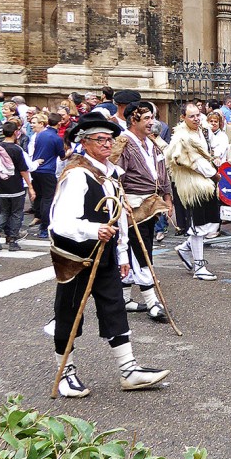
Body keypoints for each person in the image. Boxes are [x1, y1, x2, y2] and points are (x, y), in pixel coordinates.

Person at [45, 115, 170, 398]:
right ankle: (65, 373)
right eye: (99, 139)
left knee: (114, 307)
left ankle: (129, 370)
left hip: (106, 254)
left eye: (109, 139)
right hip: (77, 257)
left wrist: (122, 253)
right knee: (69, 314)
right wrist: (93, 229)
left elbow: (119, 217)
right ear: (84, 142)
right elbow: (60, 223)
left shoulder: (111, 173)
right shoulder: (77, 175)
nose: (107, 144)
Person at [112, 102, 172, 321]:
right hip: (132, 207)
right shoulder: (123, 143)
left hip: (150, 205)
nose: (151, 122)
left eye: (152, 118)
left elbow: (162, 171)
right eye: (146, 118)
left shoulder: (152, 143)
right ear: (133, 120)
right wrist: (121, 200)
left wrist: (167, 196)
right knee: (141, 252)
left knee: (137, 249)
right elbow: (113, 176)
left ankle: (125, 299)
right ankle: (152, 302)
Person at [164, 102, 222, 281]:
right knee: (198, 225)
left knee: (211, 222)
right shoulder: (181, 138)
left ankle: (184, 248)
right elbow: (195, 162)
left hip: (207, 183)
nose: (196, 118)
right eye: (192, 116)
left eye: (198, 115)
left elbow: (213, 148)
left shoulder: (203, 130)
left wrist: (216, 159)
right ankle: (199, 267)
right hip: (194, 186)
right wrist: (214, 174)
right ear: (183, 118)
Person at [0, 121, 35, 252]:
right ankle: (13, 240)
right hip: (16, 185)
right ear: (16, 132)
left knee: (4, 212)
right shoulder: (16, 149)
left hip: (1, 184)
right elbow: (23, 169)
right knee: (16, 213)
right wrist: (30, 186)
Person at [29, 112, 66, 238]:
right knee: (48, 199)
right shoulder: (56, 138)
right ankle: (45, 227)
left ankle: (39, 218)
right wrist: (69, 153)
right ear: (59, 123)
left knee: (40, 197)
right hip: (48, 171)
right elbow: (62, 156)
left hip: (36, 169)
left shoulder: (40, 134)